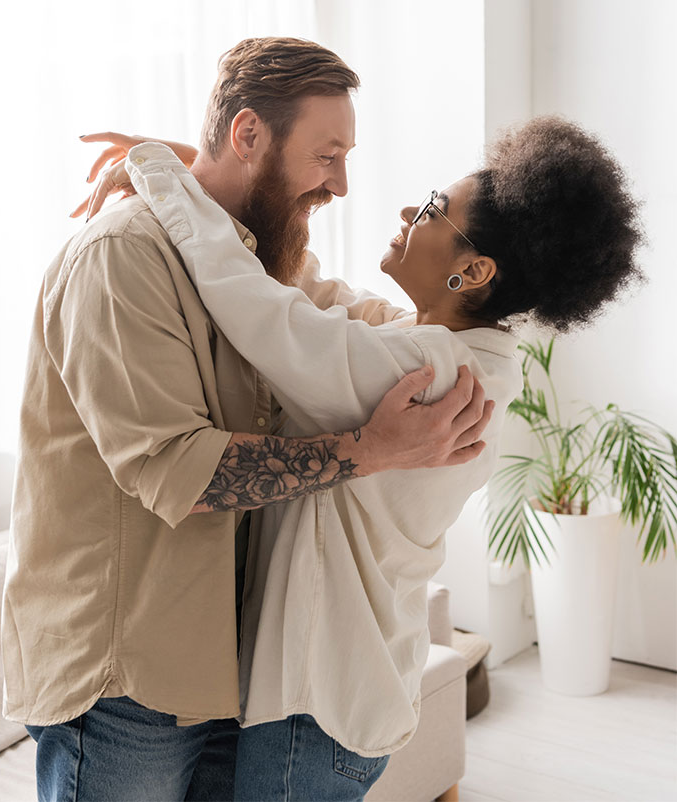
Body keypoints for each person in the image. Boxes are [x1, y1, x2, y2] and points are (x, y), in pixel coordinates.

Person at [85, 115, 643, 801]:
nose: (412, 211)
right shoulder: (458, 353)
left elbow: (262, 310)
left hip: (319, 710)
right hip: (343, 704)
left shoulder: (427, 370)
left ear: (472, 270)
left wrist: (161, 171)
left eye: (434, 210)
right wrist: (213, 179)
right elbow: (317, 301)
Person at [2, 38, 492, 802]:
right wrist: (368, 450)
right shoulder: (122, 258)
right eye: (327, 155)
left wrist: (176, 168)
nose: (341, 184)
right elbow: (179, 469)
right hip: (125, 679)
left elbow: (353, 319)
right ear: (249, 136)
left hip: (224, 670)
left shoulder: (256, 266)